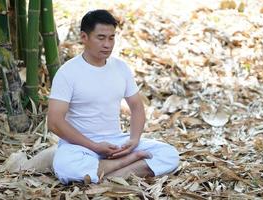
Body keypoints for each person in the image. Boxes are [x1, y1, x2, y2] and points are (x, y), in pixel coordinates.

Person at [48, 9, 179, 184]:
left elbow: (136, 106)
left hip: (116, 142)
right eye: (101, 38)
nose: (107, 44)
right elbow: (55, 122)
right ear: (84, 37)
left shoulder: (120, 68)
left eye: (111, 38)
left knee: (170, 154)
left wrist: (134, 140)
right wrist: (94, 146)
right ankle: (127, 164)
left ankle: (105, 173)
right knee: (67, 168)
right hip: (79, 146)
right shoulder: (68, 72)